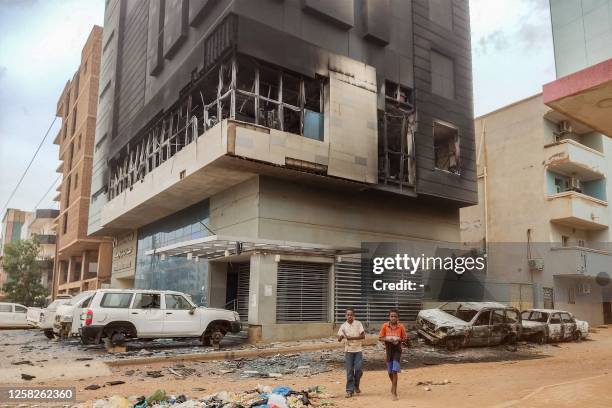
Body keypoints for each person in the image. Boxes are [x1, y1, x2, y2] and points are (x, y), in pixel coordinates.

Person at [379, 309, 407, 400]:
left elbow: (404, 338)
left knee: (394, 370)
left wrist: (398, 339)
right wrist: (388, 339)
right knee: (390, 371)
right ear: (389, 317)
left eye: (395, 316)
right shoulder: (385, 326)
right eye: (391, 316)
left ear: (398, 317)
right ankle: (393, 385)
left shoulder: (401, 327)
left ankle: (394, 393)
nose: (393, 318)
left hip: (397, 350)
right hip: (389, 350)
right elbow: (380, 338)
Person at [337, 308, 365, 398]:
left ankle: (356, 385)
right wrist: (341, 337)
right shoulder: (343, 326)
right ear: (345, 316)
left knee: (358, 370)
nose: (349, 316)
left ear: (354, 315)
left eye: (351, 314)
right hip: (348, 351)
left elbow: (363, 336)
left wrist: (351, 338)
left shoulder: (358, 324)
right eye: (348, 315)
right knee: (349, 372)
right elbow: (339, 338)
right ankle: (349, 390)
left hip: (358, 350)